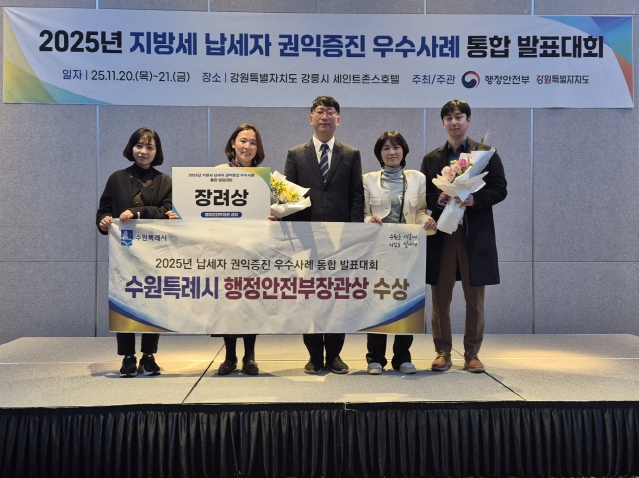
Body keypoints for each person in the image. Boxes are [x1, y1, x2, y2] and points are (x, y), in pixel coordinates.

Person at [420, 100, 507, 373]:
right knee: (440, 297)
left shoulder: (485, 154)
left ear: (469, 120)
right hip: (442, 235)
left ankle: (472, 353)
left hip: (473, 235)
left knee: (474, 299)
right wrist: (438, 198)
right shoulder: (431, 158)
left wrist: (474, 199)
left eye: (459, 117)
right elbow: (422, 195)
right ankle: (442, 351)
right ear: (443, 123)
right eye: (448, 118)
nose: (453, 122)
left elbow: (500, 189)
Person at [284, 95, 364, 374]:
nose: (325, 116)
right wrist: (292, 237)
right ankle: (314, 355)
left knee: (337, 298)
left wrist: (354, 235)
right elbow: (288, 198)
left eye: (330, 112)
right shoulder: (296, 154)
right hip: (306, 238)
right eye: (320, 111)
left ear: (338, 119)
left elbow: (357, 196)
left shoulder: (351, 154)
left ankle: (335, 355)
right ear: (311, 118)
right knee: (309, 298)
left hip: (340, 239)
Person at [96, 127, 177, 377]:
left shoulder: (165, 181)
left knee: (153, 300)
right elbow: (104, 210)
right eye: (139, 146)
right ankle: (128, 357)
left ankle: (149, 355)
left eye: (149, 147)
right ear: (131, 148)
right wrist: (103, 222)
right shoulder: (117, 178)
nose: (143, 151)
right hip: (124, 251)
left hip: (154, 253)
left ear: (156, 151)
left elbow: (167, 211)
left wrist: (136, 212)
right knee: (125, 300)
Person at [363, 131, 437, 375]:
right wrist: (368, 220)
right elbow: (363, 213)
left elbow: (421, 211)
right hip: (379, 251)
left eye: (396, 147)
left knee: (407, 300)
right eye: (385, 148)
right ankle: (375, 359)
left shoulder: (417, 178)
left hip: (409, 251)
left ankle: (402, 357)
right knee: (378, 301)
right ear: (379, 153)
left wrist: (427, 220)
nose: (391, 152)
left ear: (403, 150)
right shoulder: (367, 179)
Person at [215, 124, 266, 376]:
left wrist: (274, 216)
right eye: (243, 141)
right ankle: (229, 357)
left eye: (253, 142)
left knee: (251, 303)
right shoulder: (218, 173)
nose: (247, 146)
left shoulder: (264, 178)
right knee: (228, 303)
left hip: (253, 250)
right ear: (233, 144)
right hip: (225, 249)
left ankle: (250, 357)